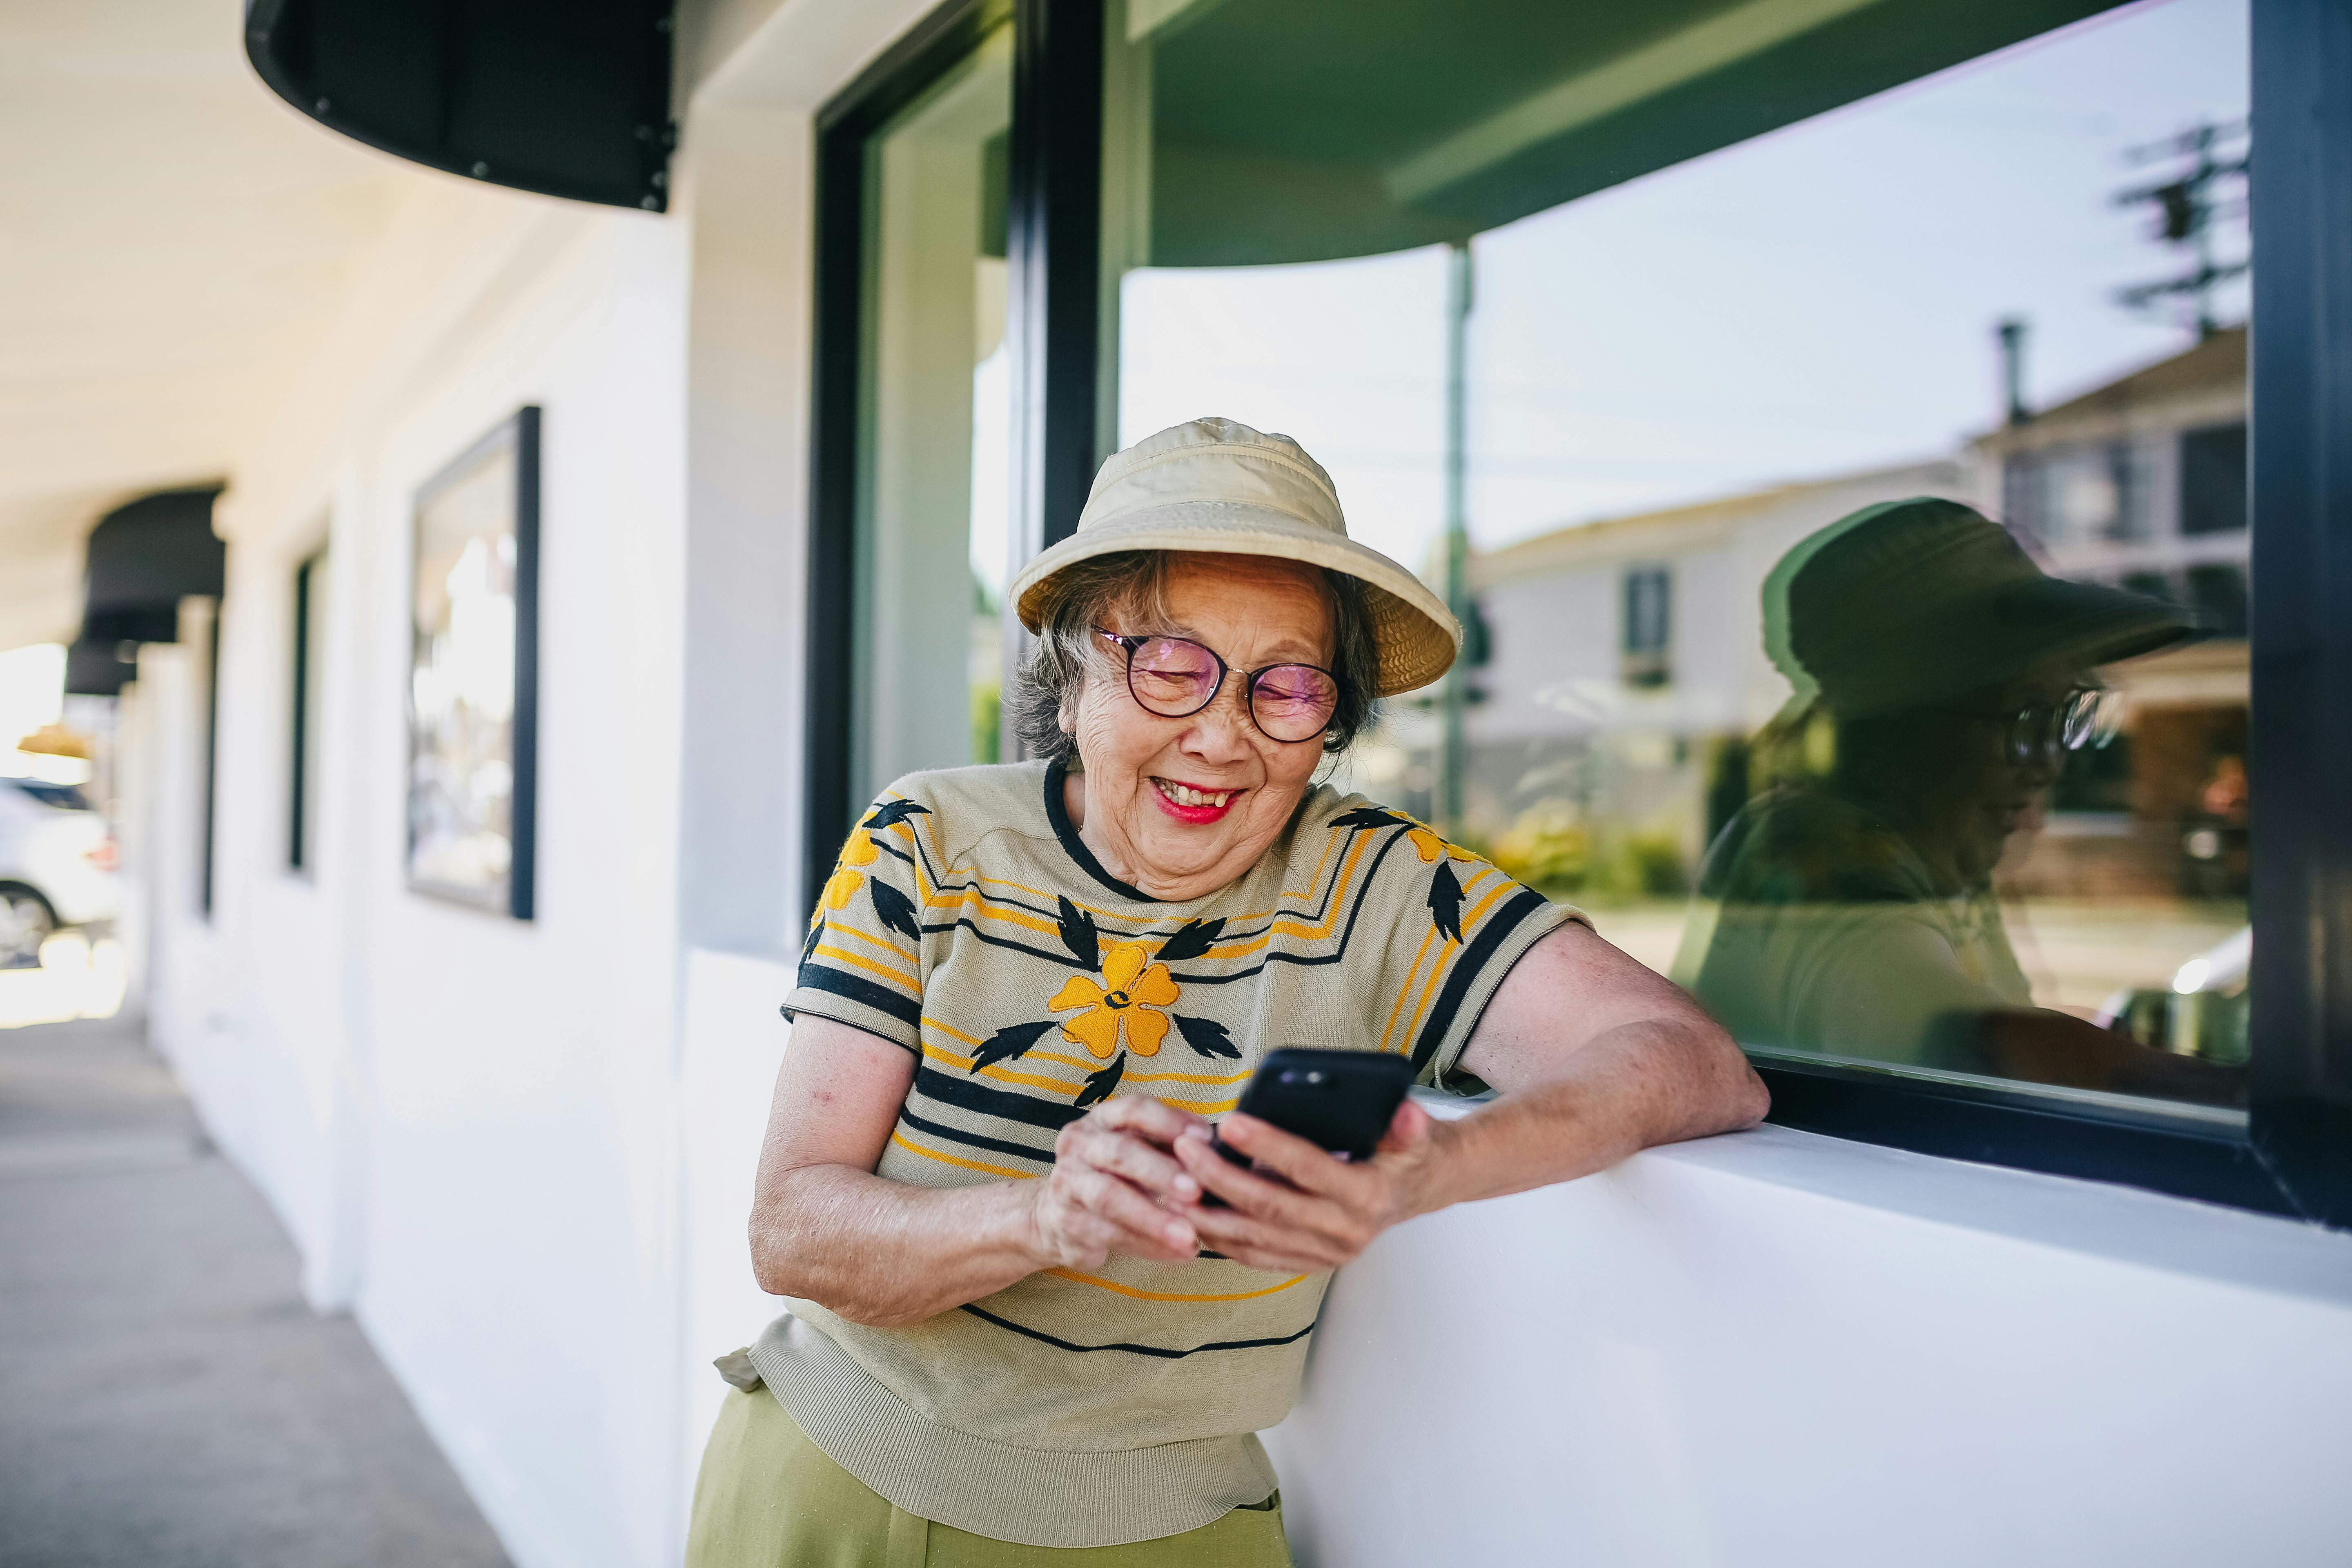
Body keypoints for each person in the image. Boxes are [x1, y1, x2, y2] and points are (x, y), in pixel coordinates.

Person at [688, 418, 1768, 1566]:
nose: (1219, 737)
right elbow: (793, 1231)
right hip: (817, 1491)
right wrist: (1045, 1217)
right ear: (1076, 668)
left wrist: (1439, 1170)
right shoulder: (931, 841)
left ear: (1332, 717)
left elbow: (1696, 1063)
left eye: (1285, 687)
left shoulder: (1380, 886)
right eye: (1168, 665)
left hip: (1159, 1540)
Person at [1675, 496, 2239, 1104]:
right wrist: (2238, 1103)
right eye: (2028, 717)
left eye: (2068, 714)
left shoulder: (1934, 864)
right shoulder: (1822, 858)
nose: (2053, 761)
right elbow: (1977, 1045)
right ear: (1901, 729)